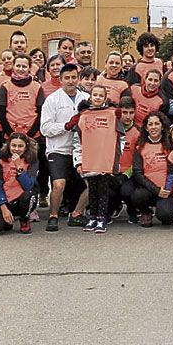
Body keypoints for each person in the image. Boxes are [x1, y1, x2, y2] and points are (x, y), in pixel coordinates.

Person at [39, 63, 88, 232]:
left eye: (74, 77)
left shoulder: (86, 98)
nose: (70, 81)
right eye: (66, 78)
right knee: (59, 184)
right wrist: (66, 126)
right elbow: (45, 128)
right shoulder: (52, 100)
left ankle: (76, 213)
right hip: (58, 149)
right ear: (60, 80)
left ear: (78, 79)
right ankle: (53, 216)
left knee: (92, 183)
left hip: (81, 150)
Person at [72, 84, 123, 234]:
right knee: (92, 190)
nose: (98, 98)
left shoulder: (113, 114)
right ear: (90, 97)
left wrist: (115, 161)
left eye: (101, 95)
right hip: (89, 160)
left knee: (103, 191)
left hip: (105, 161)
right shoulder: (84, 115)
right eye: (95, 95)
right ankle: (93, 216)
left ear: (105, 98)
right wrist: (79, 161)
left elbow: (120, 137)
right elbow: (77, 140)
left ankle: (102, 217)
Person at [128, 112, 173, 227]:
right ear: (146, 128)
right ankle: (146, 212)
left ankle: (166, 211)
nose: (154, 127)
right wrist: (156, 190)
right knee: (136, 195)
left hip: (167, 190)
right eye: (150, 124)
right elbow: (138, 173)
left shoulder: (171, 145)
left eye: (157, 124)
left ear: (162, 126)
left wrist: (167, 189)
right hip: (148, 190)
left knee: (165, 216)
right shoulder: (140, 147)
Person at [0, 133, 39, 236]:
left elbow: (29, 185)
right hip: (8, 198)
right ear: (8, 146)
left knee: (28, 195)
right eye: (13, 145)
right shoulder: (2, 161)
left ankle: (24, 219)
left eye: (20, 146)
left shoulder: (32, 161)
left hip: (24, 197)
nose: (16, 149)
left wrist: (18, 167)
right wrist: (3, 207)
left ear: (26, 147)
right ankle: (9, 220)